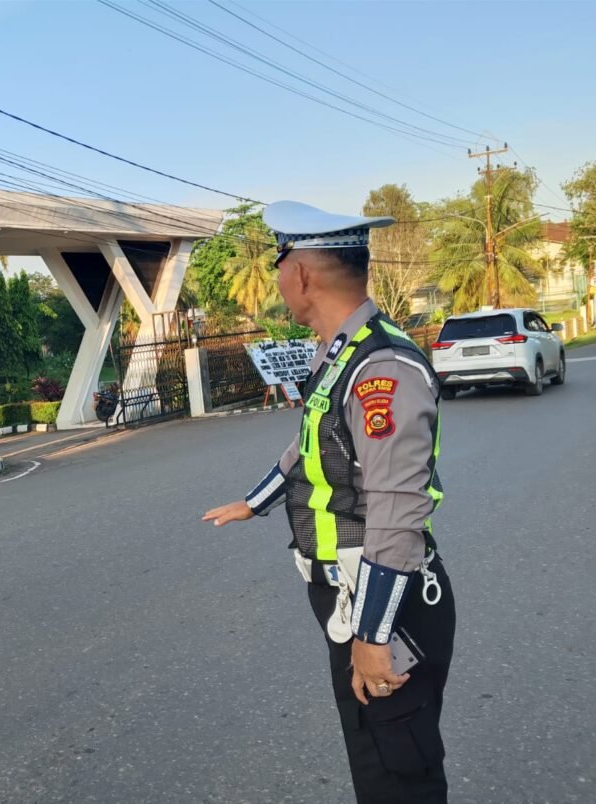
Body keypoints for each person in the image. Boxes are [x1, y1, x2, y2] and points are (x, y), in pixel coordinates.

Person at [203, 201, 456, 803]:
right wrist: (254, 502)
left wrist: (372, 634)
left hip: (384, 603)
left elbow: (397, 509)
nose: (278, 280)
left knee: (399, 776)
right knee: (374, 761)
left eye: (278, 266)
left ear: (300, 274)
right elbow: (312, 445)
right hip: (350, 597)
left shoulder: (381, 368)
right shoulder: (341, 351)